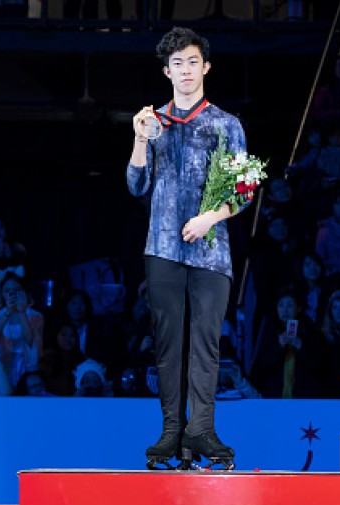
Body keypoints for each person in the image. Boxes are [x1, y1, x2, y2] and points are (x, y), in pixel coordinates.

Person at [127, 26, 248, 469]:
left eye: (192, 62)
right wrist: (140, 139)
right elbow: (136, 184)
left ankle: (202, 429)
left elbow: (243, 190)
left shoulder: (226, 124)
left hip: (211, 251)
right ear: (166, 72)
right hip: (161, 248)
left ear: (206, 67)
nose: (185, 71)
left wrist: (210, 218)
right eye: (177, 64)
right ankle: (172, 431)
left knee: (205, 343)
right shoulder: (153, 122)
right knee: (167, 344)